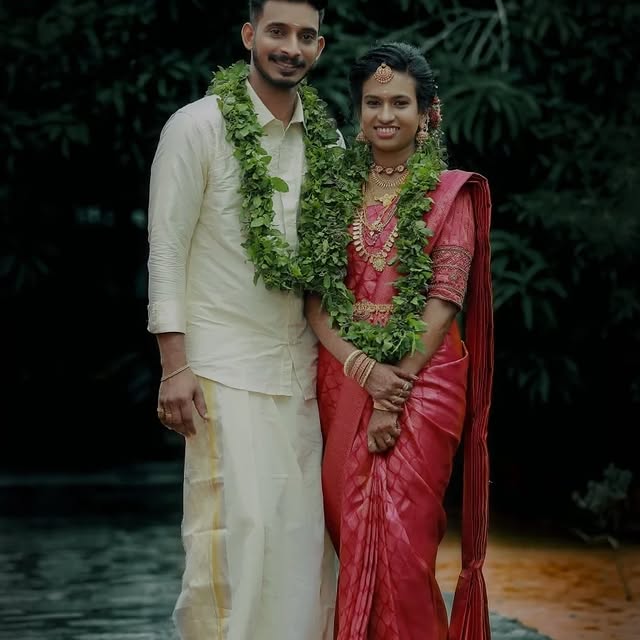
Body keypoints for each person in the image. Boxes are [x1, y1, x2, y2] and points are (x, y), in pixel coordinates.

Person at [146, 1, 340, 638]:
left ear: (320, 46)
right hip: (220, 373)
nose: (291, 47)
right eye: (277, 32)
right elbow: (167, 248)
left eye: (305, 36)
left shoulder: (330, 142)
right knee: (233, 544)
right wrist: (174, 366)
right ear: (250, 35)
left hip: (304, 372)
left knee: (306, 551)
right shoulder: (197, 127)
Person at [305, 42, 494, 640]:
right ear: (358, 111)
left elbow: (444, 300)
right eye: (373, 102)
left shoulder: (450, 193)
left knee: (405, 553)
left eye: (400, 103)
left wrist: (393, 394)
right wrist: (365, 372)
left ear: (427, 111)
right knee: (351, 534)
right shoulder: (332, 191)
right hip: (344, 377)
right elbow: (316, 302)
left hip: (423, 379)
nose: (385, 115)